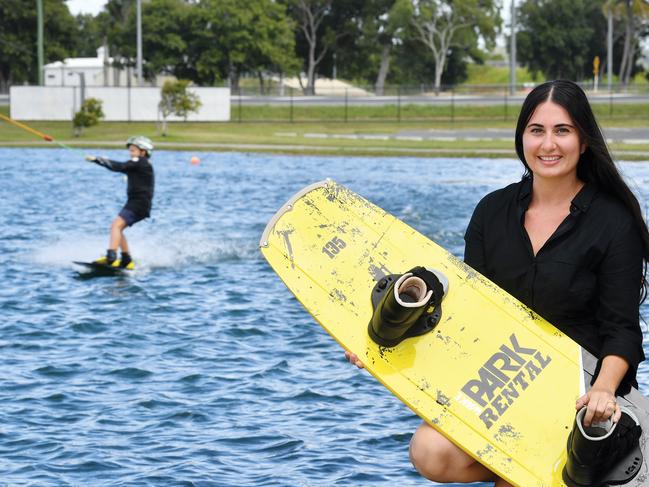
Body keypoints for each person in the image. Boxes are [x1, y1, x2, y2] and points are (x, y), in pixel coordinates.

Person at [346, 79, 649, 486]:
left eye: (563, 130)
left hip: (581, 394)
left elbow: (622, 332)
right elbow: (470, 318)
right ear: (521, 136)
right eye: (536, 130)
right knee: (429, 450)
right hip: (505, 384)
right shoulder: (492, 212)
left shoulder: (614, 222)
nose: (548, 144)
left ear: (584, 140)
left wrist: (602, 392)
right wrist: (388, 348)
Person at [85, 136, 155, 269]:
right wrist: (101, 161)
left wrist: (98, 160)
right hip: (138, 203)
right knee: (118, 229)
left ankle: (111, 257)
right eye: (130, 150)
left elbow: (120, 166)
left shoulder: (141, 162)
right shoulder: (140, 164)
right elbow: (122, 167)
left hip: (138, 203)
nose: (131, 153)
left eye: (133, 150)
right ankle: (126, 260)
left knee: (115, 226)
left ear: (143, 152)